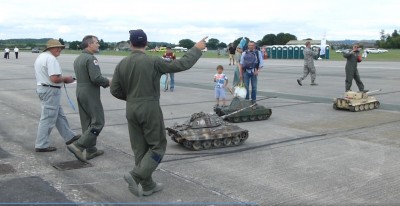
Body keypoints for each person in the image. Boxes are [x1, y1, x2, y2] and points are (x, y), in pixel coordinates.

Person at [110, 29, 206, 197]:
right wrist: (196, 49)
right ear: (146, 44)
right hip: (149, 107)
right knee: (158, 146)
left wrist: (133, 98)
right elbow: (181, 64)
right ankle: (136, 175)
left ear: (130, 43)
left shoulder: (122, 63)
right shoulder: (153, 61)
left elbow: (115, 90)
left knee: (140, 148)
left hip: (131, 107)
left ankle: (147, 185)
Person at [67, 35, 111, 162]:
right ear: (89, 44)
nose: (98, 45)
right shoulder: (91, 59)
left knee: (87, 121)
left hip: (80, 90)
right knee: (98, 122)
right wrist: (109, 81)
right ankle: (78, 146)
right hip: (90, 92)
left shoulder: (79, 58)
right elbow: (96, 78)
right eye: (96, 43)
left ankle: (91, 149)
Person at [33, 39, 80, 152]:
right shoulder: (50, 59)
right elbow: (54, 78)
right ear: (50, 48)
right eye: (56, 47)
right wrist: (67, 79)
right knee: (48, 118)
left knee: (59, 115)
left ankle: (69, 136)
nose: (59, 49)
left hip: (45, 89)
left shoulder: (42, 57)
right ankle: (41, 144)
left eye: (60, 47)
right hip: (50, 91)